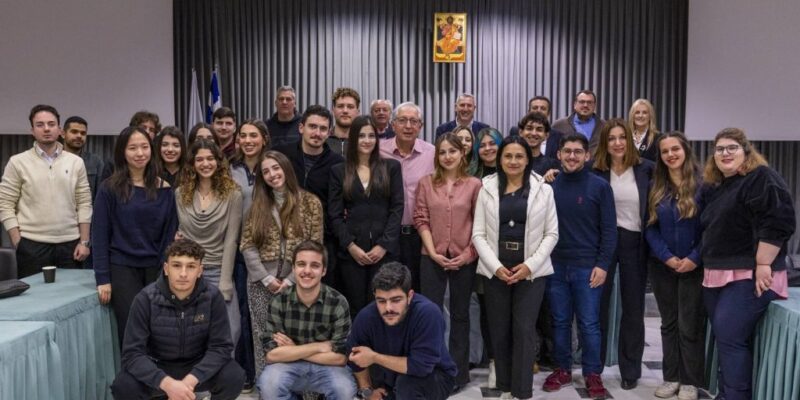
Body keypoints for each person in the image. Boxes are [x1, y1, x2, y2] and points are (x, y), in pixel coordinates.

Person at [701, 128, 796, 400]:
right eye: (720, 149)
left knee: (730, 337)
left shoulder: (761, 177)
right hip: (716, 274)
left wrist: (764, 262)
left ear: (746, 151)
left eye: (732, 147)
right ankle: (725, 394)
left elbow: (779, 220)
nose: (725, 153)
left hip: (749, 274)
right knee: (724, 339)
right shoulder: (718, 187)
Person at [472, 136, 558, 399]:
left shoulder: (544, 190)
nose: (513, 161)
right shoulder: (486, 187)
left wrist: (529, 266)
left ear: (527, 159)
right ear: (500, 159)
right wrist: (496, 267)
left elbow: (551, 234)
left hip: (531, 272)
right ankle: (505, 387)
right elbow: (478, 235)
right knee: (499, 329)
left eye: (519, 156)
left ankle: (521, 391)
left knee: (524, 330)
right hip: (495, 270)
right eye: (508, 156)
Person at [111, 239, 245, 400]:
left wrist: (191, 380)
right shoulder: (145, 298)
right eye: (176, 265)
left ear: (200, 271)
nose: (183, 274)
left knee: (234, 376)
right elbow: (132, 354)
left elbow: (221, 347)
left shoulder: (213, 297)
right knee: (123, 385)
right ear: (166, 269)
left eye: (191, 266)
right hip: (158, 365)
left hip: (196, 365)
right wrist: (167, 384)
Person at [544, 134, 616, 398]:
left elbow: (609, 231)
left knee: (589, 324)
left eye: (577, 152)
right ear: (559, 155)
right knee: (560, 322)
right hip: (556, 267)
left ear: (587, 155)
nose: (572, 156)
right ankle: (563, 369)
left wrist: (603, 265)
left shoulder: (600, 187)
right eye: (567, 151)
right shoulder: (549, 186)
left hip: (588, 268)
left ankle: (592, 373)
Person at [240, 150, 323, 376]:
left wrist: (290, 280)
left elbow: (315, 245)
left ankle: (297, 384)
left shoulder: (310, 202)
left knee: (295, 335)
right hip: (260, 282)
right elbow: (247, 244)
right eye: (266, 171)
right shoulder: (256, 204)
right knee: (263, 336)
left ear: (286, 168)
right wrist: (265, 278)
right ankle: (265, 383)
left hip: (299, 281)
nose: (272, 174)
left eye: (276, 168)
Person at [92, 125, 178, 343]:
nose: (140, 153)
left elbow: (169, 235)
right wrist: (102, 278)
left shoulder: (165, 189)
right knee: (133, 330)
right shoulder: (109, 188)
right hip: (122, 268)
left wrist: (165, 269)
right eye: (132, 148)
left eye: (144, 147)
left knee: (158, 328)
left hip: (156, 269)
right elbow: (99, 235)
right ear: (122, 152)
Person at [414, 133, 482, 390]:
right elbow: (421, 218)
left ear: (462, 153)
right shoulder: (426, 183)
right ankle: (433, 369)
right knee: (431, 315)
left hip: (464, 258)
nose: (447, 156)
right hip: (431, 257)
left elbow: (480, 224)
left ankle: (458, 374)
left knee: (461, 315)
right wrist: (432, 252)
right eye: (442, 152)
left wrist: (466, 255)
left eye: (452, 151)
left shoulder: (474, 184)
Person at [592, 118, 654, 389]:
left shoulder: (647, 169)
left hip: (634, 241)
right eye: (611, 138)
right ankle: (594, 368)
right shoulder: (594, 171)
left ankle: (630, 370)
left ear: (629, 140)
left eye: (622, 137)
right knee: (598, 307)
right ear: (604, 143)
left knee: (633, 309)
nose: (617, 143)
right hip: (603, 243)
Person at [645, 132, 706, 400]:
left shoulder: (704, 185)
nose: (670, 155)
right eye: (665, 151)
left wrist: (695, 257)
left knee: (689, 325)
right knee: (668, 324)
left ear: (685, 150)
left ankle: (691, 382)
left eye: (675, 149)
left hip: (695, 266)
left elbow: (711, 227)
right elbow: (650, 227)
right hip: (664, 266)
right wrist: (666, 256)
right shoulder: (656, 185)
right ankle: (671, 378)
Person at [0, 105, 92, 277]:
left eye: (51, 124)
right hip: (31, 245)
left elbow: (84, 203)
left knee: (70, 292)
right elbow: (5, 203)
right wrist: (17, 240)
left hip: (70, 245)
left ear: (59, 129)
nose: (46, 129)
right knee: (34, 294)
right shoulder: (17, 162)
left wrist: (84, 241)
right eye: (40, 125)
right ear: (32, 131)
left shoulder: (76, 162)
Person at [257, 240, 356, 399]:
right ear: (294, 268)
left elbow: (340, 358)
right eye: (301, 264)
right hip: (288, 365)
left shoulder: (338, 302)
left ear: (324, 271)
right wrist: (319, 346)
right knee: (269, 385)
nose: (307, 271)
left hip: (328, 367)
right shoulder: (279, 301)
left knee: (344, 389)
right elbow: (272, 355)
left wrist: (294, 348)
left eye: (315, 265)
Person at [346, 262, 457, 400]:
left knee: (407, 385)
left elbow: (420, 367)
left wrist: (374, 357)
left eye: (396, 300)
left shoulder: (428, 313)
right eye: (381, 301)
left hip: (434, 376)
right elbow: (355, 357)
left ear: (410, 296)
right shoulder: (366, 317)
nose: (388, 308)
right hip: (389, 378)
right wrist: (367, 391)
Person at [329, 115, 403, 317]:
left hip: (385, 251)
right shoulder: (339, 171)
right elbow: (335, 215)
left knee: (384, 307)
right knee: (356, 308)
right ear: (353, 138)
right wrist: (350, 246)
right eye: (362, 136)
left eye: (371, 136)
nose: (367, 140)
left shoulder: (391, 167)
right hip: (352, 253)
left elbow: (397, 209)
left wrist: (383, 245)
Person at [175, 139, 243, 347]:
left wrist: (225, 281)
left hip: (218, 270)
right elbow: (182, 233)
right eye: (200, 159)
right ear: (192, 163)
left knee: (230, 332)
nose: (205, 164)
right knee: (191, 333)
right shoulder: (180, 194)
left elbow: (231, 240)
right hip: (189, 271)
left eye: (210, 158)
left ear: (218, 161)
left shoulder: (233, 194)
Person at [274, 105, 344, 287]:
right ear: (301, 127)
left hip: (323, 240)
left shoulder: (338, 164)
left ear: (329, 133)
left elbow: (337, 206)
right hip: (282, 237)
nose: (317, 133)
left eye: (323, 129)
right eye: (312, 126)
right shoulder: (281, 155)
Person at [229, 118, 271, 391]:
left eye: (253, 135)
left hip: (270, 251)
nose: (247, 140)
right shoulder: (229, 169)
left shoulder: (273, 165)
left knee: (266, 314)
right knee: (244, 313)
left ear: (264, 139)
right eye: (243, 135)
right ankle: (247, 372)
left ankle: (269, 372)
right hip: (239, 251)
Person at [380, 102, 435, 292]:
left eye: (414, 121)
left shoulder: (432, 153)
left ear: (421, 126)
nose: (408, 126)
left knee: (418, 290)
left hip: (420, 235)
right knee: (390, 289)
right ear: (393, 124)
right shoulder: (379, 152)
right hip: (388, 235)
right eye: (402, 120)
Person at [61, 115, 104, 201]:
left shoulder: (95, 162)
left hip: (88, 208)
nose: (79, 136)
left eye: (83, 133)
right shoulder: (53, 160)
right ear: (63, 134)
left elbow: (101, 195)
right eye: (74, 132)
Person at [552, 90, 605, 156]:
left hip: (597, 162)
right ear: (575, 104)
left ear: (594, 106)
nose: (585, 105)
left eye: (589, 102)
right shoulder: (559, 125)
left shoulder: (604, 125)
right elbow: (552, 150)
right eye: (582, 102)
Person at [328, 87, 361, 157]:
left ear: (358, 112)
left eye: (350, 107)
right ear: (333, 111)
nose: (345, 111)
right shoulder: (322, 140)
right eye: (340, 106)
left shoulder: (364, 141)